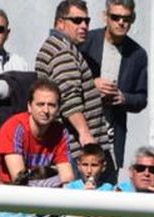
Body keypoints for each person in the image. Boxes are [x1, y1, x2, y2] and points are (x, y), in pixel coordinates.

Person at [36, 1, 111, 167]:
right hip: (79, 150)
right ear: (61, 23)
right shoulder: (63, 52)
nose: (84, 26)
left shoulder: (59, 47)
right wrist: (85, 135)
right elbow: (69, 98)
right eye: (77, 20)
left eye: (87, 21)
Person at [80, 0, 146, 165]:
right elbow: (67, 82)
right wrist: (92, 84)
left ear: (133, 19)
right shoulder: (86, 42)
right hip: (82, 131)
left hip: (112, 136)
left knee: (108, 185)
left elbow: (141, 98)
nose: (121, 22)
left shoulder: (137, 54)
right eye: (115, 17)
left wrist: (123, 98)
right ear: (105, 17)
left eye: (126, 18)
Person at [0, 76, 72, 184]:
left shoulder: (60, 132)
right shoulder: (14, 127)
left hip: (43, 189)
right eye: (40, 104)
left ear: (58, 109)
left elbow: (67, 178)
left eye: (52, 105)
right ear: (29, 106)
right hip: (8, 190)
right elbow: (19, 178)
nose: (46, 110)